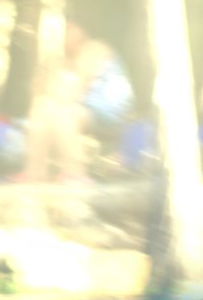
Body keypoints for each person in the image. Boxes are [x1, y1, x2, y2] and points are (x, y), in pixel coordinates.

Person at [24, 21, 133, 182]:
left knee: (64, 114)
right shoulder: (68, 59)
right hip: (85, 109)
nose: (65, 36)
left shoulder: (95, 49)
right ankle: (34, 172)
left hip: (110, 110)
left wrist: (56, 98)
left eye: (69, 30)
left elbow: (77, 90)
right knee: (42, 110)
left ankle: (75, 173)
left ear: (80, 32)